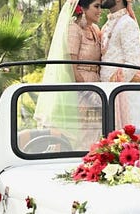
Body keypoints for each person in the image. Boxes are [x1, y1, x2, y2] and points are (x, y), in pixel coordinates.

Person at [33, 0, 102, 149]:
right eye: (96, 6)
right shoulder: (73, 29)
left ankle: (93, 168)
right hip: (81, 91)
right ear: (82, 8)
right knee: (81, 133)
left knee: (95, 132)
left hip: (97, 89)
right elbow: (71, 66)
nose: (100, 10)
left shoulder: (95, 29)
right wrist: (87, 91)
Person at [100, 0, 140, 129]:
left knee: (127, 139)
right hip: (107, 93)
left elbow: (132, 63)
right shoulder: (107, 25)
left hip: (124, 94)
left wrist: (114, 85)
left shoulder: (127, 23)